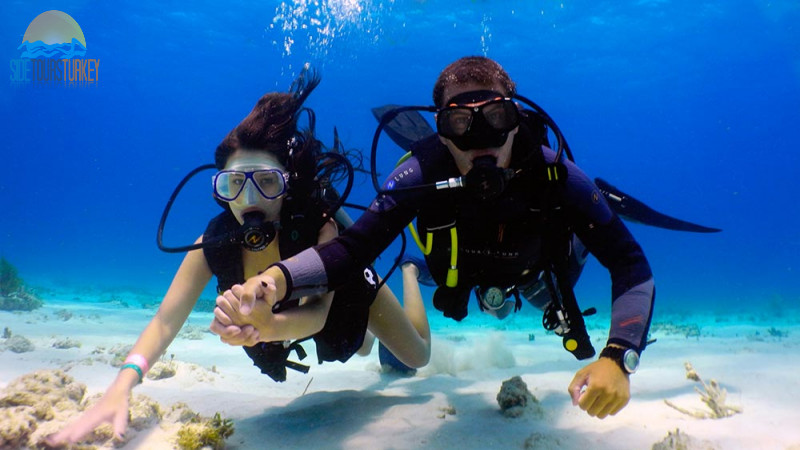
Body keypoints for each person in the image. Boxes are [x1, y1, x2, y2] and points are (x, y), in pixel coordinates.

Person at [214, 56, 654, 419]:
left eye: (496, 117)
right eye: (461, 122)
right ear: (441, 129)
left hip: (537, 272)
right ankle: (412, 278)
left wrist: (619, 357)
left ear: (517, 120)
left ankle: (603, 203)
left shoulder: (555, 174)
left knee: (551, 292)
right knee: (412, 325)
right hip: (455, 273)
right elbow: (352, 249)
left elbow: (630, 265)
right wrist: (273, 281)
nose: (481, 138)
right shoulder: (420, 174)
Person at [46, 70, 430, 446]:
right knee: (355, 344)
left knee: (416, 356)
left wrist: (266, 327)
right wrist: (124, 381)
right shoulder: (214, 243)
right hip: (304, 315)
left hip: (341, 292)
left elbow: (316, 316)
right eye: (233, 184)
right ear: (220, 189)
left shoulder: (321, 227)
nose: (249, 200)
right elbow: (165, 321)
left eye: (266, 182)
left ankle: (410, 273)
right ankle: (365, 335)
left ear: (288, 182)